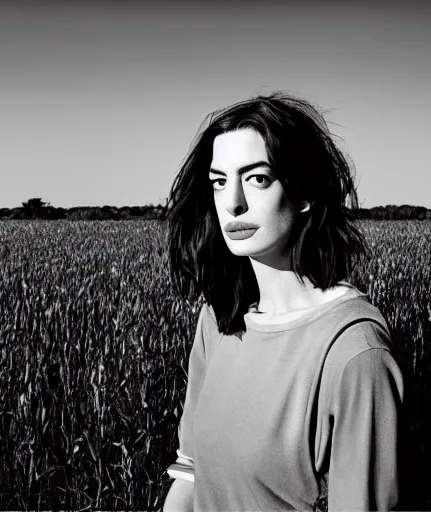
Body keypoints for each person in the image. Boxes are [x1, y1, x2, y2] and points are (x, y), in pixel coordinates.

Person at [161, 92, 406, 512]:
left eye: (257, 178)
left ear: (305, 192)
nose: (232, 202)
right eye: (219, 181)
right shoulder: (218, 320)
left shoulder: (353, 353)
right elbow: (192, 471)